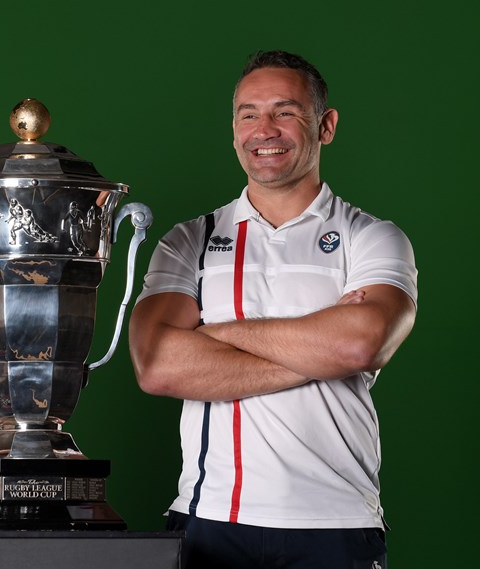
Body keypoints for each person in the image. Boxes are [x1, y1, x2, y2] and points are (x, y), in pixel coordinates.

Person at [129, 50, 417, 569]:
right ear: (234, 128)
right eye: (248, 114)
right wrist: (320, 351)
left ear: (324, 125)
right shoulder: (189, 240)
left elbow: (359, 343)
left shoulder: (372, 236)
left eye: (286, 111)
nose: (265, 129)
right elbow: (157, 364)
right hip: (210, 517)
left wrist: (211, 333)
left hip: (337, 522)